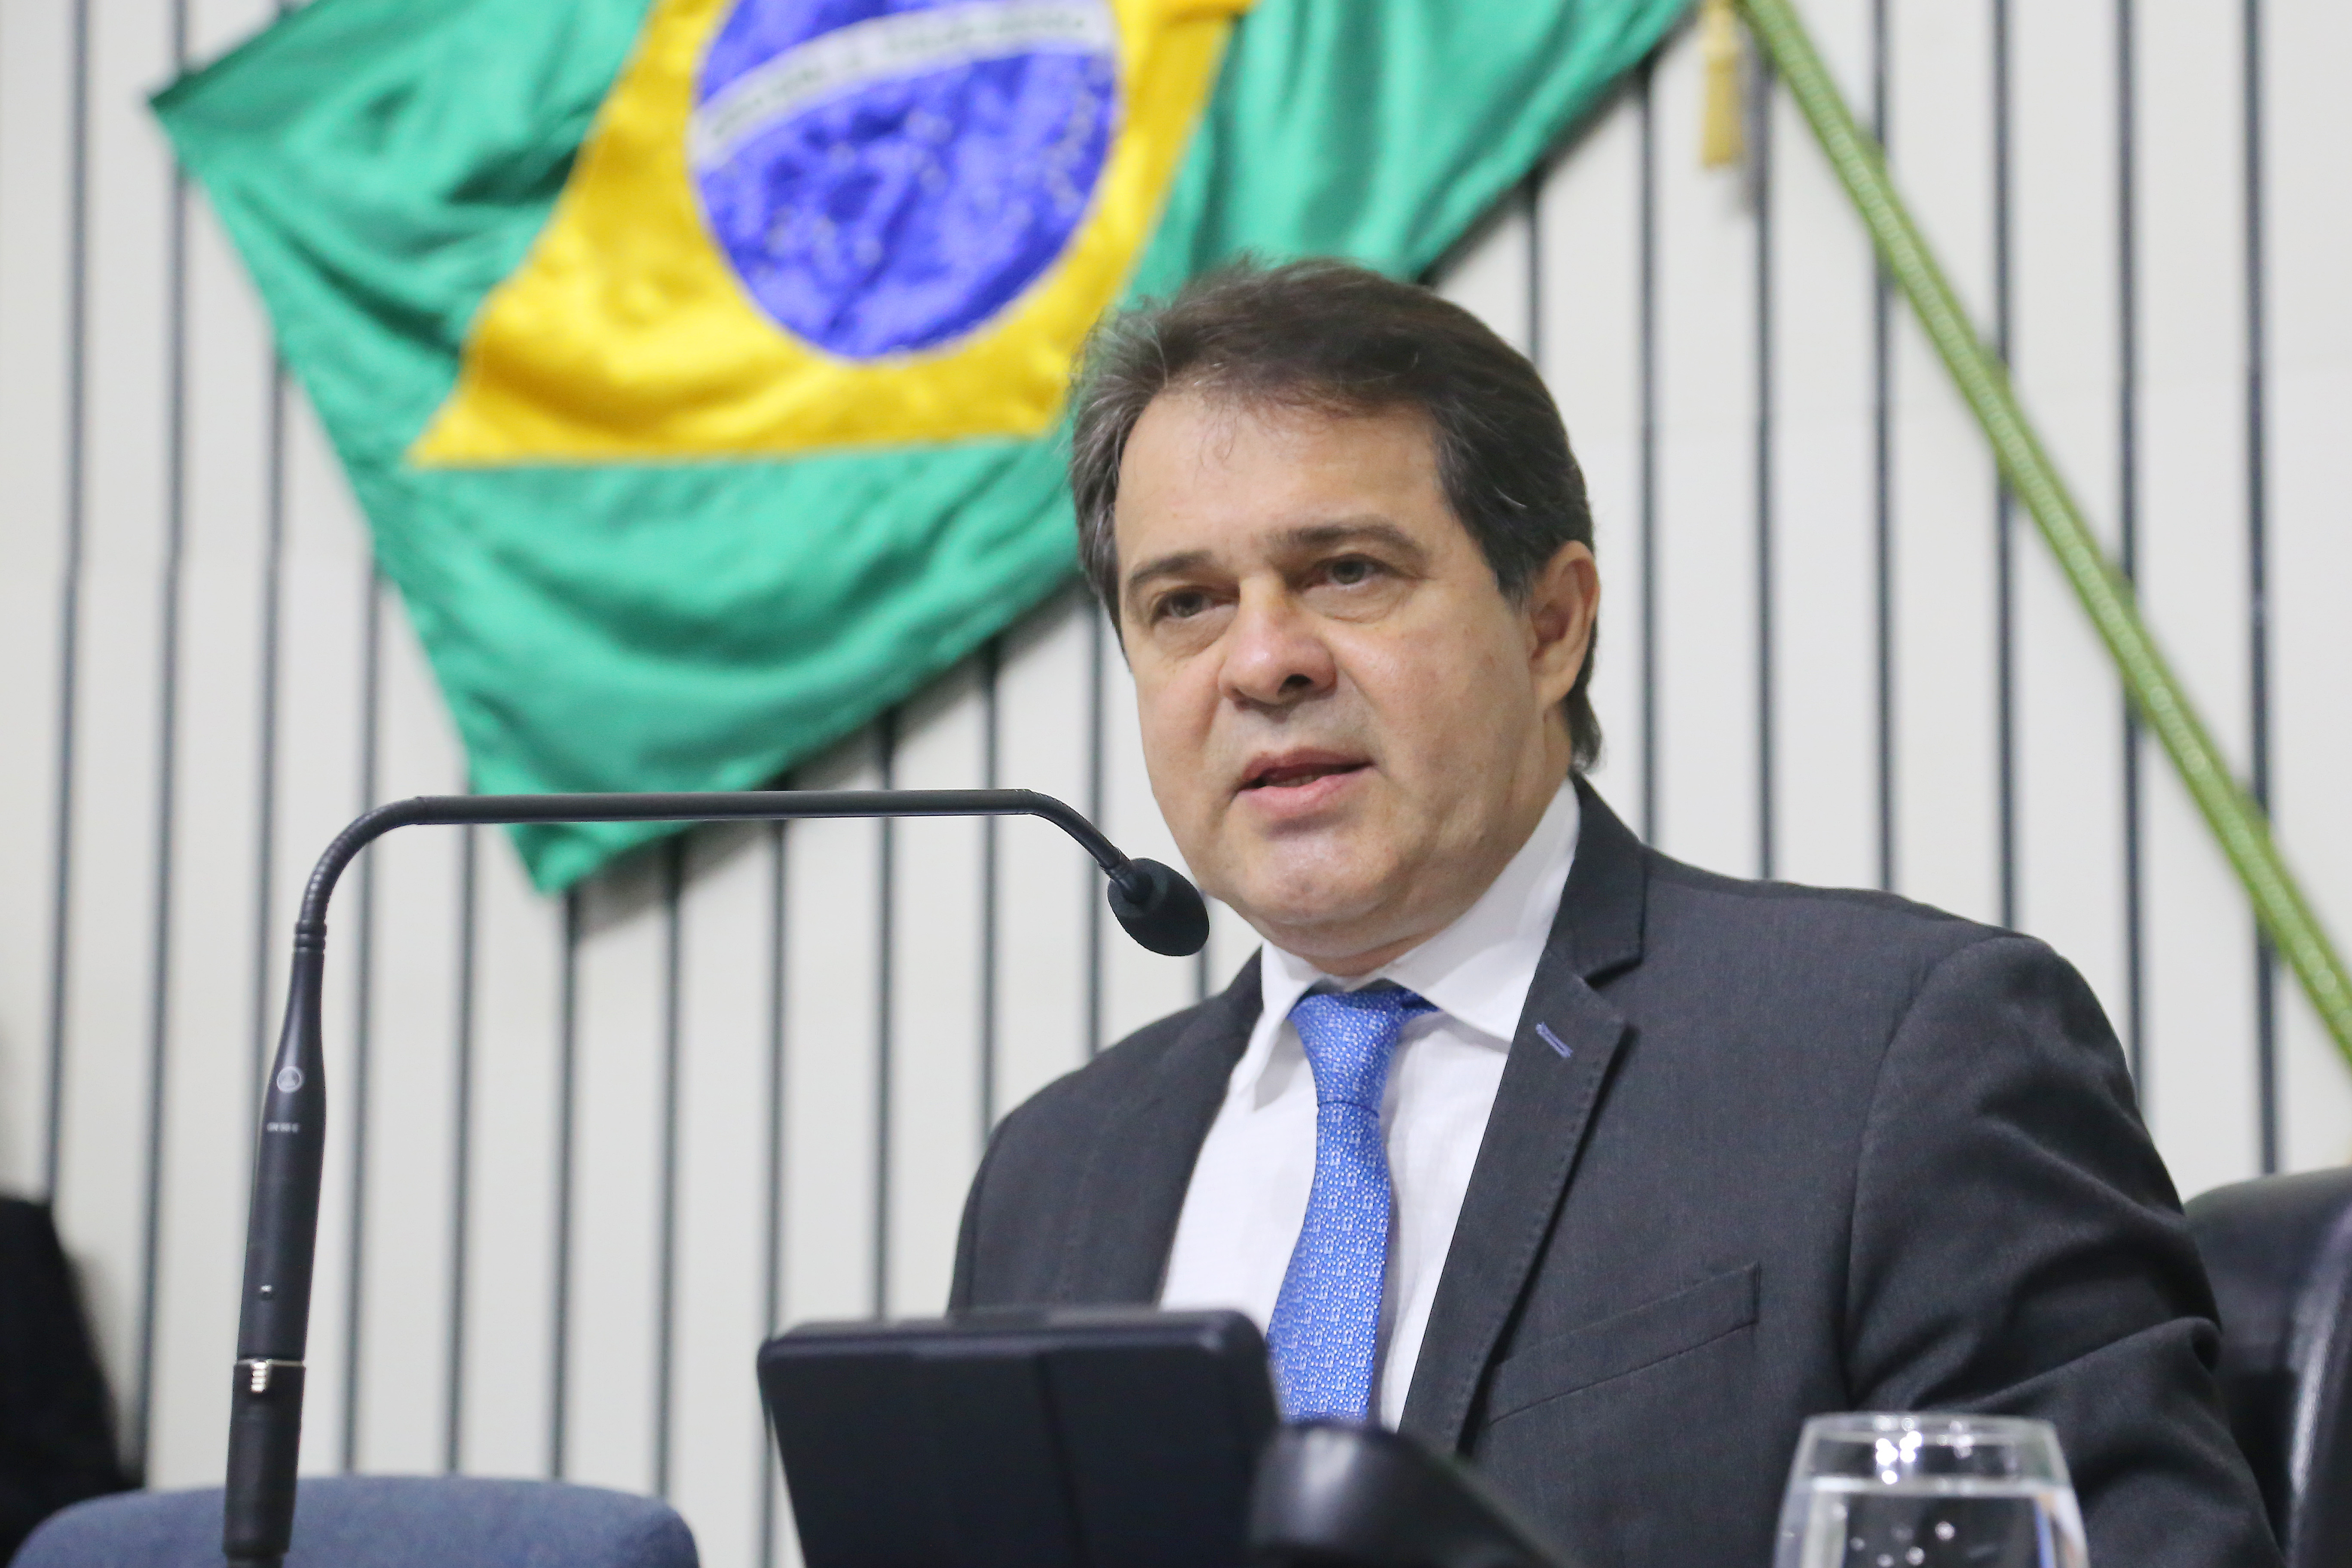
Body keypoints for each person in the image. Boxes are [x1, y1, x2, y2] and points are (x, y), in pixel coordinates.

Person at [948, 258, 2277, 1567]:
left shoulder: (1897, 1058)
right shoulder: (1055, 1174)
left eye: (1346, 571)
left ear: (1551, 626)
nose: (1262, 661)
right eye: (1184, 605)